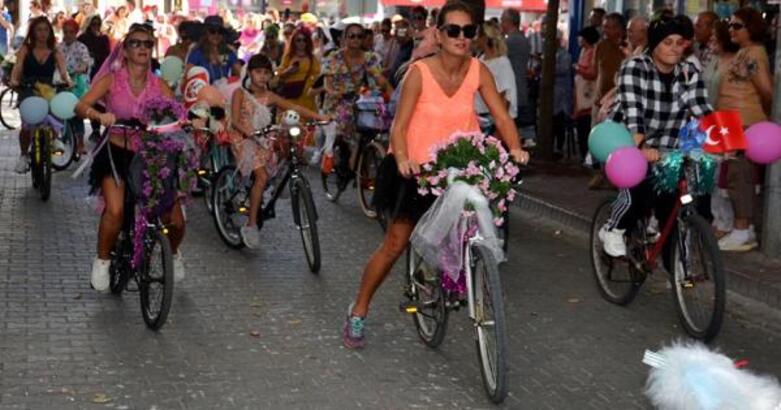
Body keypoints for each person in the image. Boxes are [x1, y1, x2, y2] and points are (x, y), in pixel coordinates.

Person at [342, 2, 529, 349]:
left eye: (468, 31)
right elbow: (399, 126)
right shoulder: (419, 73)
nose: (461, 37)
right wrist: (403, 159)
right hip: (414, 166)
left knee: (468, 226)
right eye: (453, 30)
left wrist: (515, 148)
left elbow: (502, 118)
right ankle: (359, 308)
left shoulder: (478, 70)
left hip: (460, 166)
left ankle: (450, 277)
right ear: (439, 35)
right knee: (395, 243)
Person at [75, 23, 186, 291]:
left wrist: (189, 121)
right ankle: (102, 261)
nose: (142, 48)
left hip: (151, 157)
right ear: (124, 50)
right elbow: (81, 105)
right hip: (116, 152)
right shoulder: (111, 81)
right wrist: (99, 115)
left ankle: (172, 253)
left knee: (176, 219)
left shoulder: (160, 85)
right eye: (136, 43)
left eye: (147, 44)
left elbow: (178, 116)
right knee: (115, 210)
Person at [598, 16, 712, 259]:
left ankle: (675, 267)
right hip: (625, 139)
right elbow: (633, 112)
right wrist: (642, 146)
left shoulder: (689, 72)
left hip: (667, 146)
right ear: (655, 44)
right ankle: (613, 228)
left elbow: (702, 108)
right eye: (667, 42)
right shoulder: (635, 67)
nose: (674, 48)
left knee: (670, 203)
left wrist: (726, 140)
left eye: (679, 43)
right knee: (639, 187)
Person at [230, 54, 330, 249]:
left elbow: (293, 106)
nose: (262, 77)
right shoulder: (240, 93)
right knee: (260, 177)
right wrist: (251, 134)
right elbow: (234, 121)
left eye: (266, 73)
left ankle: (271, 186)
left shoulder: (270, 96)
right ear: (250, 73)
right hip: (243, 139)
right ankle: (251, 225)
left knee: (285, 146)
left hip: (263, 137)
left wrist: (320, 116)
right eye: (258, 72)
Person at [715, 8, 773, 252]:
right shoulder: (743, 52)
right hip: (731, 122)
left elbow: (767, 91)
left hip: (744, 122)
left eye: (737, 26)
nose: (731, 29)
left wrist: (763, 119)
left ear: (751, 29)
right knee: (732, 177)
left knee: (741, 177)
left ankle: (741, 229)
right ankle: (743, 228)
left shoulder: (755, 54)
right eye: (731, 24)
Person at [8, 16, 71, 174]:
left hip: (48, 89)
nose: (42, 33)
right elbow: (18, 67)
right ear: (33, 32)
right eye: (39, 30)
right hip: (28, 87)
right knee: (27, 124)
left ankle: (56, 138)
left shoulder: (55, 51)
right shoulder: (25, 49)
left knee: (55, 107)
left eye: (45, 30)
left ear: (50, 32)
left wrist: (68, 80)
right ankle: (23, 156)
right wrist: (14, 79)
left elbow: (64, 71)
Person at [322, 23, 391, 149]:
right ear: (345, 38)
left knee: (371, 129)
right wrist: (333, 92)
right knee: (338, 134)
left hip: (359, 103)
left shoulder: (370, 57)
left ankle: (357, 164)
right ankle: (333, 157)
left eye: (359, 36)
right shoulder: (334, 57)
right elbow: (327, 83)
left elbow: (380, 79)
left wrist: (390, 95)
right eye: (352, 36)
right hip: (337, 103)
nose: (356, 39)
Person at [703, 20, 739, 239]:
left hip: (727, 121)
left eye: (715, 36)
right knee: (709, 173)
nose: (711, 40)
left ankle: (725, 222)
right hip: (710, 119)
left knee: (722, 176)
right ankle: (715, 218)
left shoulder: (735, 61)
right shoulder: (714, 59)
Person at [589, 12, 625, 189]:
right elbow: (597, 72)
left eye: (610, 27)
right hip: (600, 100)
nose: (606, 31)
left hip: (618, 101)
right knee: (595, 138)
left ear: (619, 28)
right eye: (604, 27)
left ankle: (614, 175)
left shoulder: (626, 48)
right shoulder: (601, 46)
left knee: (615, 141)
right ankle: (597, 173)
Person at [500, 8, 533, 149]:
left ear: (508, 22)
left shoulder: (510, 42)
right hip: (520, 87)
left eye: (502, 20)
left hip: (512, 89)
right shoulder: (523, 40)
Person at [58, 19, 92, 154]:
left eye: (71, 32)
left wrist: (81, 68)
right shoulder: (58, 47)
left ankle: (80, 142)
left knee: (76, 114)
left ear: (76, 33)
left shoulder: (81, 47)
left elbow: (85, 62)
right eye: (65, 32)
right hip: (61, 81)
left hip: (76, 84)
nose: (68, 35)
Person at [475, 22, 517, 125]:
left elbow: (505, 97)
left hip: (492, 120)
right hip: (479, 117)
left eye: (477, 35)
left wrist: (500, 127)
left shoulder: (502, 62)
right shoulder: (480, 59)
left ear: (484, 38)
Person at [187, 15, 242, 84]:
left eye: (220, 31)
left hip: (224, 90)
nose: (216, 35)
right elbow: (188, 75)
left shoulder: (228, 52)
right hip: (203, 90)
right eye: (212, 31)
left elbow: (240, 73)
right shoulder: (197, 53)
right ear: (206, 33)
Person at [277, 26, 320, 112]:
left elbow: (317, 76)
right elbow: (279, 75)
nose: (301, 43)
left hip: (306, 99)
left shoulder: (312, 58)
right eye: (298, 40)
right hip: (290, 97)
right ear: (294, 42)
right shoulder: (288, 57)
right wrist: (289, 71)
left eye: (304, 40)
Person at [573, 27, 599, 162]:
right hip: (581, 95)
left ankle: (588, 158)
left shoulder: (593, 52)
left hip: (588, 96)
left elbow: (592, 74)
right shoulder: (584, 51)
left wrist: (578, 69)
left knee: (586, 128)